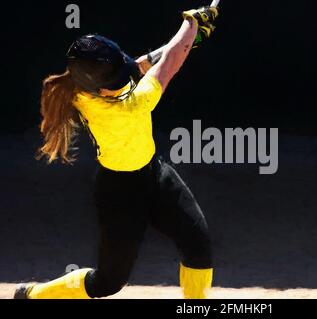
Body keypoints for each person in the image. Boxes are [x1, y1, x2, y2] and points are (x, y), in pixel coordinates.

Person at [14, 6, 219, 300]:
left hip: (155, 174)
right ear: (99, 89)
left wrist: (191, 38)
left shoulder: (82, 89)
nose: (124, 81)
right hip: (119, 194)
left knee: (198, 245)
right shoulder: (129, 106)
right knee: (106, 283)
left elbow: (140, 65)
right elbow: (169, 63)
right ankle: (33, 295)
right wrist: (192, 24)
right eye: (116, 81)